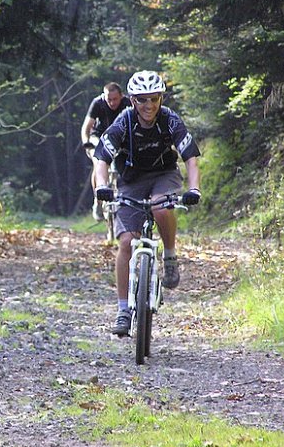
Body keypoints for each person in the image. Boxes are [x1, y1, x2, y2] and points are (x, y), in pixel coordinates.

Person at [93, 70, 201, 336]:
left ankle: (170, 256)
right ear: (132, 101)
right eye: (142, 100)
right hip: (131, 179)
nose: (148, 105)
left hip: (164, 175)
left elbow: (190, 157)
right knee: (127, 242)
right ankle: (122, 310)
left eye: (153, 98)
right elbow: (102, 158)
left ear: (161, 98)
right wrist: (104, 186)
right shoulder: (124, 121)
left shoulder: (170, 120)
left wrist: (194, 188)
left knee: (160, 207)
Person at [81, 82, 131, 221]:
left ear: (121, 96)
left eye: (115, 99)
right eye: (109, 99)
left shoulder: (128, 103)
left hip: (120, 138)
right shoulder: (97, 103)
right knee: (99, 164)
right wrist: (87, 142)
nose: (112, 102)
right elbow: (86, 127)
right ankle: (98, 200)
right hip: (99, 137)